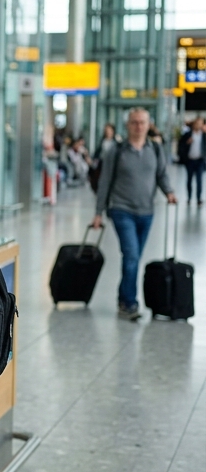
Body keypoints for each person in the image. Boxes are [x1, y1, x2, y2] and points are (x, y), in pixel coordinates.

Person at [93, 107, 176, 320]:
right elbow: (105, 182)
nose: (139, 126)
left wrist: (169, 192)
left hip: (146, 212)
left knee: (134, 257)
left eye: (142, 122)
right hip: (121, 209)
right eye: (134, 122)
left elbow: (161, 174)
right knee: (131, 255)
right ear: (128, 125)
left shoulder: (155, 150)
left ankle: (123, 298)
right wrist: (98, 212)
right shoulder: (116, 151)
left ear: (148, 125)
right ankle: (130, 303)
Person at [177, 116, 205, 206]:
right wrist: (187, 143)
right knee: (189, 180)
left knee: (199, 180)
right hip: (190, 161)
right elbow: (180, 146)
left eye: (200, 124)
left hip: (200, 161)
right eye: (197, 123)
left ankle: (198, 198)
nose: (198, 125)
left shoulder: (204, 135)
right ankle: (189, 198)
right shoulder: (187, 134)